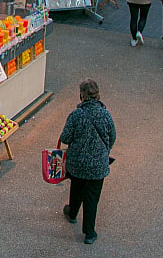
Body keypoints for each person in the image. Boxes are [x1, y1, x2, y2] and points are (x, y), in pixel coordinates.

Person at [60, 78, 116, 245]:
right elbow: (112, 137)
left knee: (76, 188)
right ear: (98, 95)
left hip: (77, 163)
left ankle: (72, 213)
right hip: (98, 165)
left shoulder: (77, 115)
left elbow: (65, 137)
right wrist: (103, 151)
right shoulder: (105, 114)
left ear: (81, 96)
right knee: (92, 198)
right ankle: (89, 233)